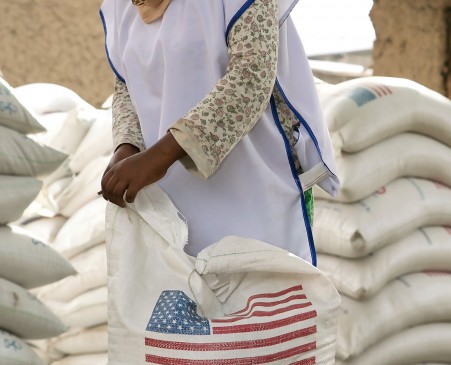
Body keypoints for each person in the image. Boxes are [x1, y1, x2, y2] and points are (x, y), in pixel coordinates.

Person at [99, 0, 339, 265]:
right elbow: (125, 84)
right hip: (169, 198)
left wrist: (159, 156)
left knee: (257, 296)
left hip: (253, 188)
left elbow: (250, 78)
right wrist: (127, 145)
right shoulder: (122, 7)